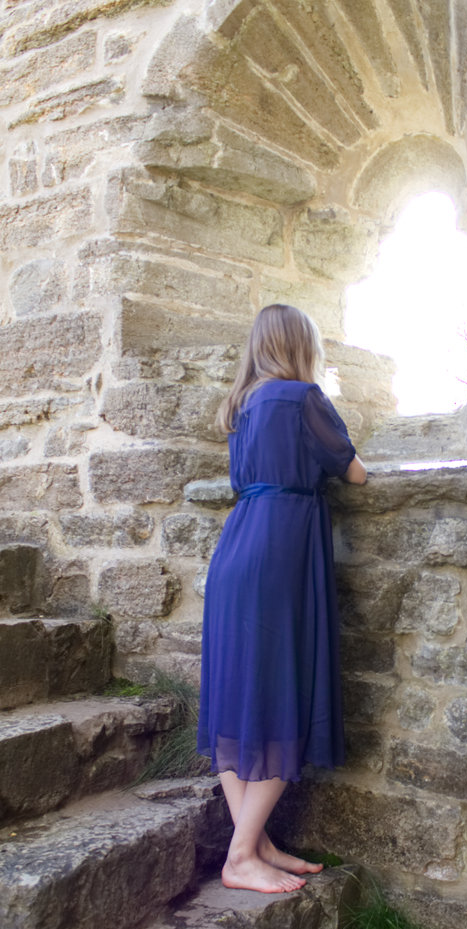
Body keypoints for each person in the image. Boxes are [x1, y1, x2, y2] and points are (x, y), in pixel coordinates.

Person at [197, 304, 367, 895]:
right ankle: (240, 855)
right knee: (283, 694)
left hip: (235, 554)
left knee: (238, 694)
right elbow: (356, 473)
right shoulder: (302, 398)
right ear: (301, 346)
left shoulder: (239, 406)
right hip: (279, 558)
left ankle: (257, 837)